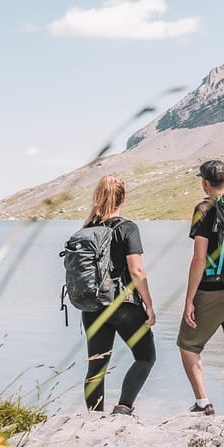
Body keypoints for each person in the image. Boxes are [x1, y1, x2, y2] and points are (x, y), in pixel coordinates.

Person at [177, 159, 224, 416]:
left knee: (188, 345)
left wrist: (189, 300)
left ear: (205, 182)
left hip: (211, 290)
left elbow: (199, 258)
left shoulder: (204, 208)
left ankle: (203, 403)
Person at [81, 174, 156, 415]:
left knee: (96, 366)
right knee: (145, 357)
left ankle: (94, 417)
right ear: (122, 198)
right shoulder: (127, 228)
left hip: (92, 307)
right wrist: (149, 305)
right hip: (124, 306)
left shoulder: (87, 230)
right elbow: (136, 270)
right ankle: (123, 407)